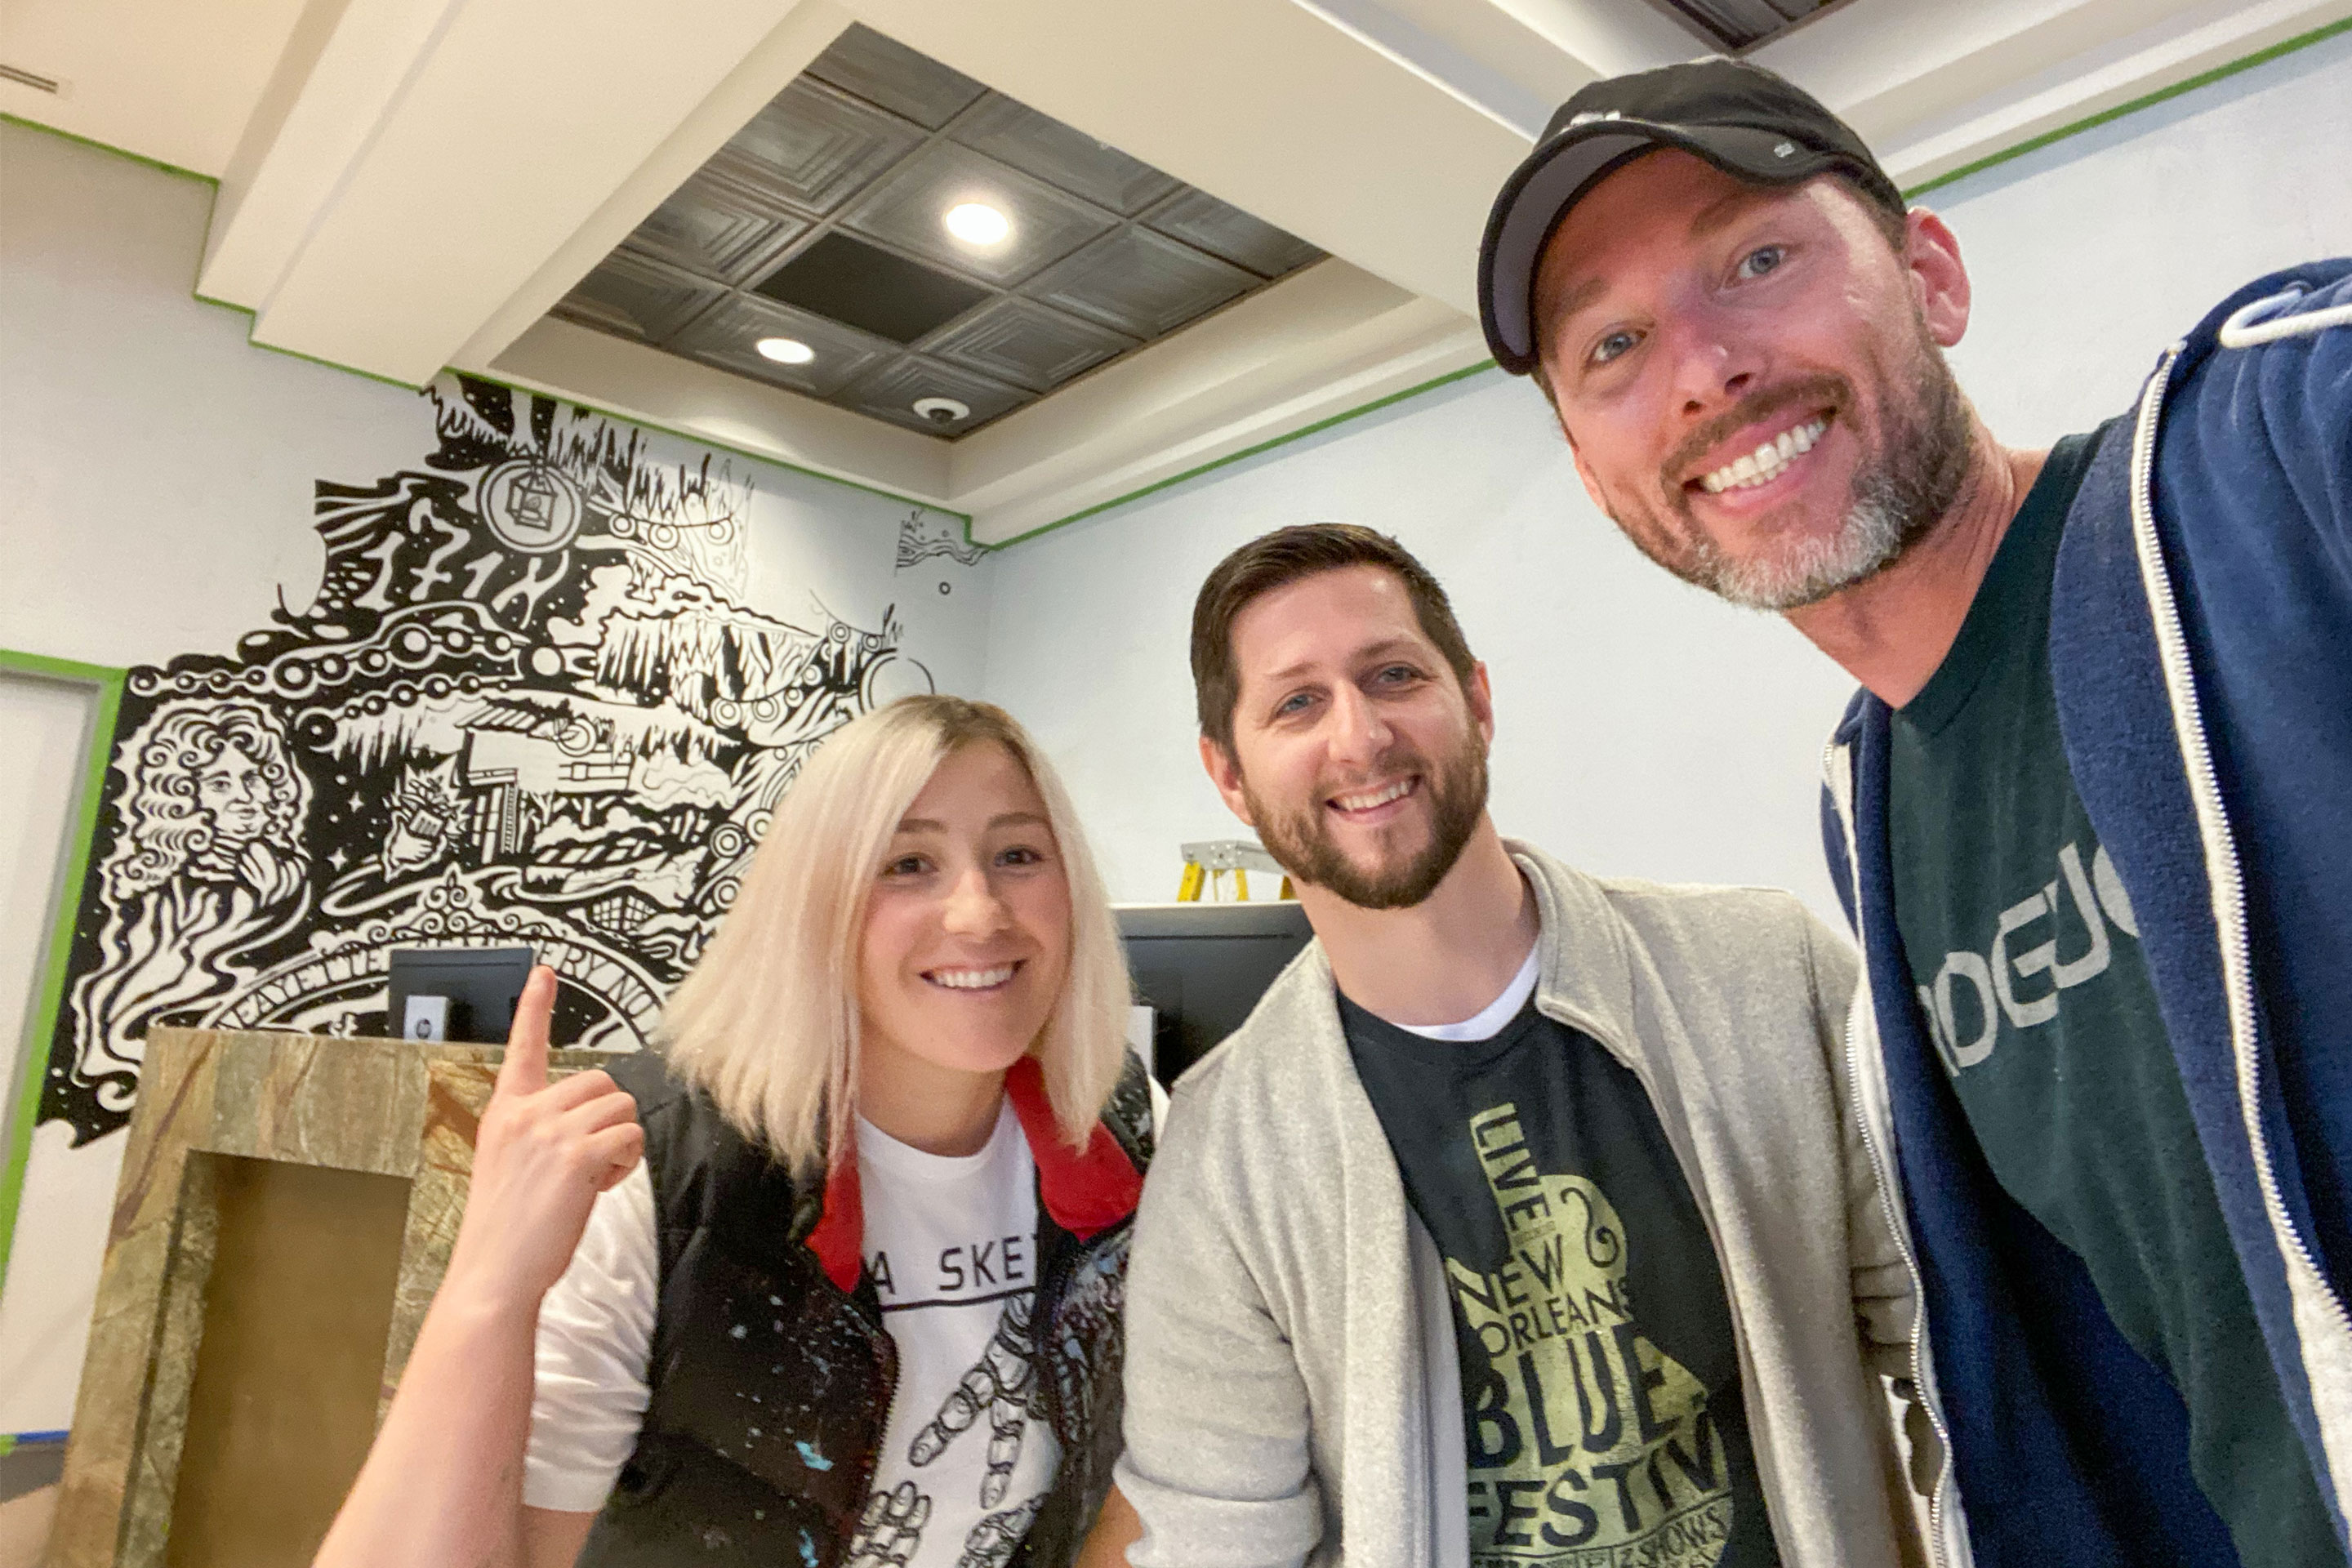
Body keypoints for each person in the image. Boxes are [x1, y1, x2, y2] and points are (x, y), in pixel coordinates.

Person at [1473, 55, 2352, 1568]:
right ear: (1593, 471)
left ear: (1930, 275)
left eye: (1757, 259)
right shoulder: (1873, 809)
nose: (1701, 370)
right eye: (1614, 344)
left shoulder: (2265, 460)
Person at [1114, 523, 1918, 1567]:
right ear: (1229, 776)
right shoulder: (1224, 1155)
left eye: (1393, 674)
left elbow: (1967, 1363)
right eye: (1296, 702)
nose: (1358, 739)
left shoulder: (1770, 975)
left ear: (1478, 702)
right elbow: (1217, 1535)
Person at [314, 695, 1155, 1568]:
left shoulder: (1132, 1127)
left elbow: (1148, 1473)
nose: (980, 913)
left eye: (1018, 854)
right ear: (815, 904)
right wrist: (490, 1290)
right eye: (908, 863)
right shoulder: (659, 1172)